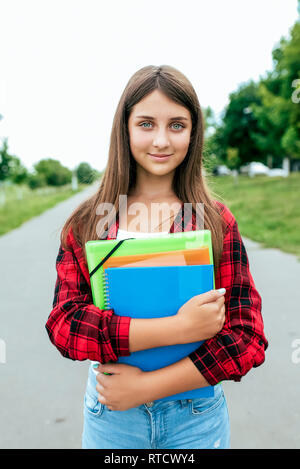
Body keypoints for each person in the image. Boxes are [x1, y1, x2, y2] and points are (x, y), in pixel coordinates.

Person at [45, 65, 268, 449]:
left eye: (177, 125)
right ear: (125, 129)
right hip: (113, 416)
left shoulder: (215, 222)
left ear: (194, 132)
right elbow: (65, 325)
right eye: (146, 123)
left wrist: (148, 386)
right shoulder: (89, 224)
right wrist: (177, 329)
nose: (161, 140)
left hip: (196, 417)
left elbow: (246, 338)